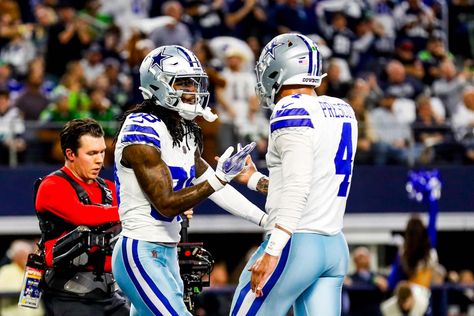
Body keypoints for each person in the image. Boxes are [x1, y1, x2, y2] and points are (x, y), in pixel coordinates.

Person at [111, 45, 268, 315]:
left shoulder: (184, 130)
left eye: (194, 82)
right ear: (158, 84)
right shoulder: (141, 129)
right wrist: (218, 179)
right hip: (139, 249)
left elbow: (217, 186)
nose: (193, 90)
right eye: (183, 82)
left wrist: (266, 220)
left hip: (167, 251)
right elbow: (166, 204)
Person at [230, 33, 358, 315]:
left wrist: (272, 250)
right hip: (334, 245)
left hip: (295, 245)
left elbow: (299, 185)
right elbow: (311, 179)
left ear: (281, 69)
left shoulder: (290, 109)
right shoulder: (343, 109)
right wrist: (253, 179)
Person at [35, 118, 130, 315]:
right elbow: (82, 215)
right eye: (92, 153)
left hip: (110, 295)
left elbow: (140, 209)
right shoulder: (52, 186)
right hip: (68, 297)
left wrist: (170, 209)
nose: (99, 159)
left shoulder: (109, 189)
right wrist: (132, 210)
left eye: (102, 151)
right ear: (70, 154)